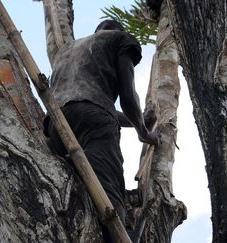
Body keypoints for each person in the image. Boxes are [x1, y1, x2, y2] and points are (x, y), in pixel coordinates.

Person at [44, 19, 160, 241]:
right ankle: (120, 236)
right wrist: (143, 132)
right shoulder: (119, 39)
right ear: (119, 31)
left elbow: (85, 103)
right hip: (94, 119)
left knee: (81, 190)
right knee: (109, 185)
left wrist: (141, 120)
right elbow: (127, 96)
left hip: (55, 125)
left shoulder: (68, 50)